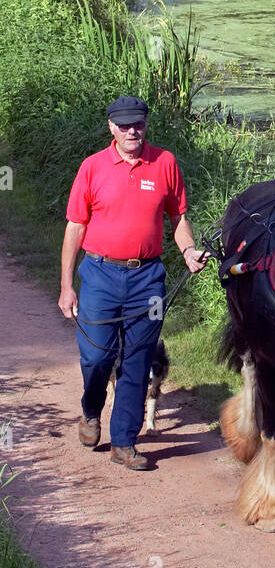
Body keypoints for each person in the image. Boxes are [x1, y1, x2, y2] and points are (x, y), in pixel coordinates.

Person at [58, 96, 208, 471]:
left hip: (148, 278)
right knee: (96, 357)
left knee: (138, 360)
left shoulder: (165, 163)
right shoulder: (92, 168)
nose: (131, 131)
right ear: (111, 127)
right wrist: (66, 285)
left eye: (137, 124)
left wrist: (188, 251)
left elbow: (179, 219)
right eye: (124, 125)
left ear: (145, 124)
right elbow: (75, 227)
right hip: (99, 274)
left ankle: (124, 441)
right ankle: (91, 411)